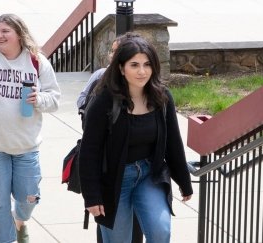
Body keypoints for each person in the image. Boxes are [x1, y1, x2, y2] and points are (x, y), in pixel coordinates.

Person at [78, 33, 193, 243]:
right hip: (115, 181)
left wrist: (184, 182)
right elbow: (89, 152)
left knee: (160, 232)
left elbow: (173, 144)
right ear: (121, 68)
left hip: (149, 175)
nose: (142, 71)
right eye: (134, 65)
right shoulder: (104, 100)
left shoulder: (162, 97)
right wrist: (92, 197)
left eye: (147, 64)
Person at [0, 13, 61, 243]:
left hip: (25, 146)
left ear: (19, 34)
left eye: (5, 31)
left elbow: (55, 99)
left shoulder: (36, 61)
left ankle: (19, 220)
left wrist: (38, 99)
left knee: (29, 197)